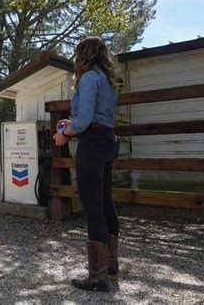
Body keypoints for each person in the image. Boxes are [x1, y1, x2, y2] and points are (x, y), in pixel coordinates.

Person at [53, 36, 120, 292]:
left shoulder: (90, 78)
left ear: (84, 55)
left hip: (91, 142)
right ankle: (111, 263)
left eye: (77, 55)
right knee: (105, 202)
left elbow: (82, 121)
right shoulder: (109, 80)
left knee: (92, 207)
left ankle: (97, 276)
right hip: (107, 141)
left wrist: (64, 133)